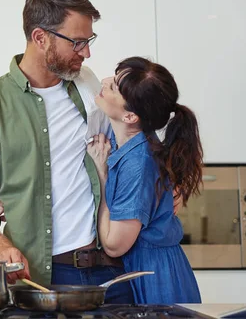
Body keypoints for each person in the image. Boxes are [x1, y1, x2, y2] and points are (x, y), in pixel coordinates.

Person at [0, 0, 134, 303]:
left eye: (88, 41)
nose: (86, 52)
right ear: (40, 37)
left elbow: (131, 141)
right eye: (77, 43)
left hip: (112, 271)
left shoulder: (89, 85)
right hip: (42, 278)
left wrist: (168, 181)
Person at [86, 56, 202, 304]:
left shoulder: (138, 162)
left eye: (114, 86)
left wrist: (102, 175)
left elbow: (114, 245)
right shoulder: (130, 142)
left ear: (130, 116)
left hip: (155, 278)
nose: (104, 82)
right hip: (152, 269)